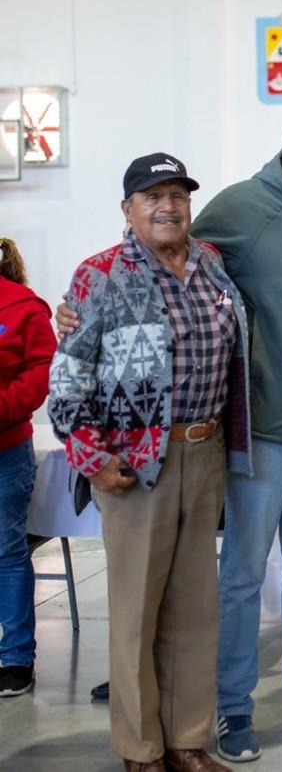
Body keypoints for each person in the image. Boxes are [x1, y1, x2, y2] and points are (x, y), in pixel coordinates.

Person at [59, 89, 282, 759]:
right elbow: (135, 264)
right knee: (234, 577)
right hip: (252, 436)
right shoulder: (238, 209)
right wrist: (76, 308)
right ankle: (222, 712)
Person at [48, 153, 251, 772]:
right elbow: (66, 385)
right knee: (136, 613)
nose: (168, 206)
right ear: (128, 210)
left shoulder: (212, 267)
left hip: (204, 451)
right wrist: (93, 459)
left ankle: (187, 740)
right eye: (152, 196)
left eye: (178, 195)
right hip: (133, 467)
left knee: (195, 609)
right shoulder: (99, 276)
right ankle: (141, 749)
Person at [0, 237, 55, 699]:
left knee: (6, 553)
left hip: (5, 452)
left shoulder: (22, 307)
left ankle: (16, 658)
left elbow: (40, 372)